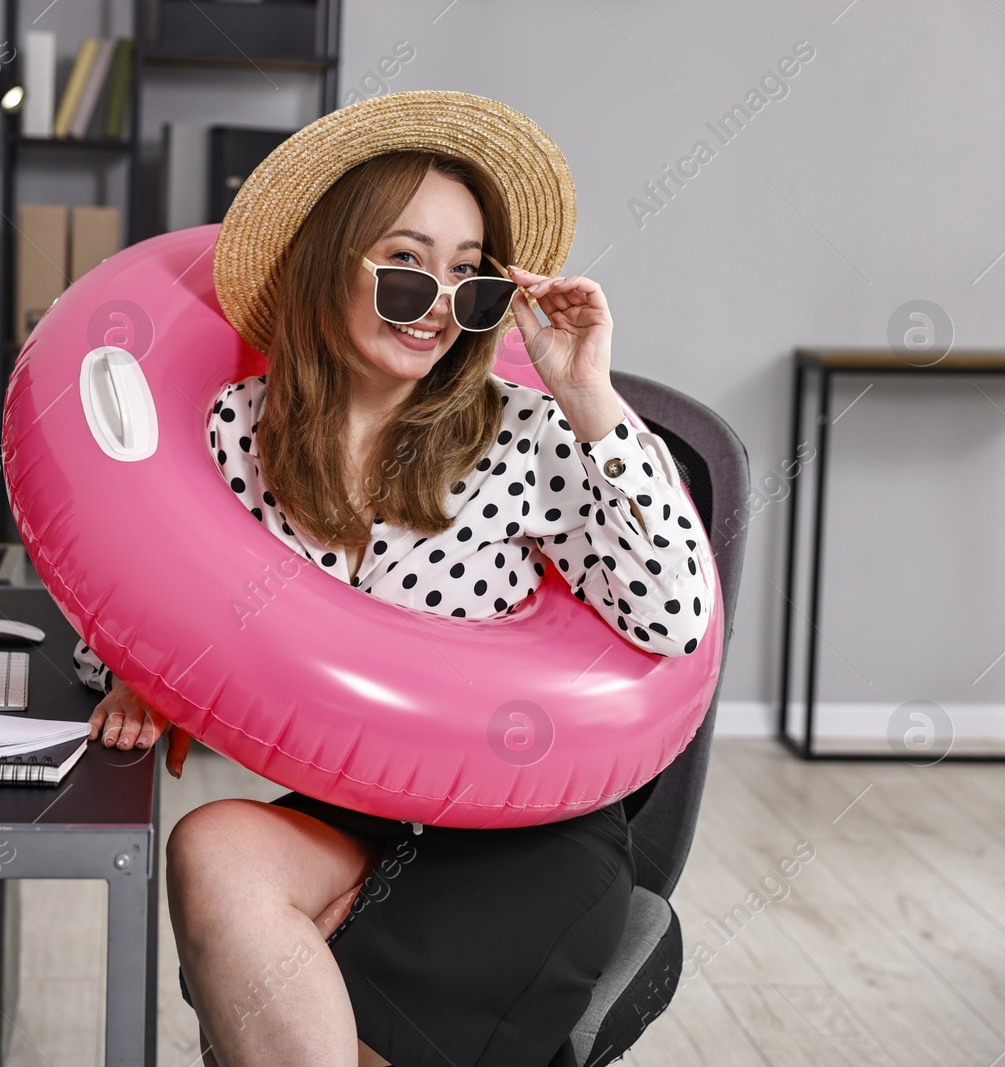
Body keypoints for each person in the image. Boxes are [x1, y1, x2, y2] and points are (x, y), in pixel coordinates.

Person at [72, 90, 714, 1067]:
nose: (438, 311)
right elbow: (122, 601)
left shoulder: (521, 434)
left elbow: (673, 613)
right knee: (210, 845)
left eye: (470, 282)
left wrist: (589, 398)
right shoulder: (236, 431)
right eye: (406, 269)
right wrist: (147, 672)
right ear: (330, 262)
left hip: (524, 828)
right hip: (363, 811)